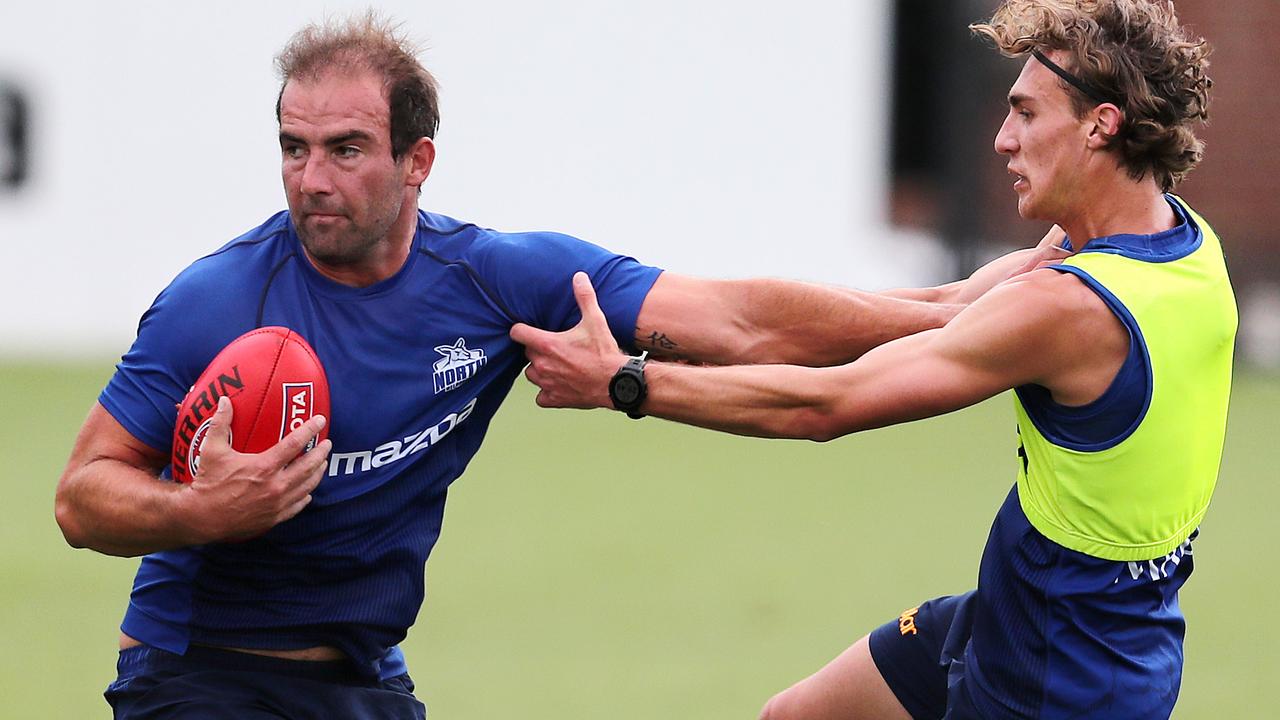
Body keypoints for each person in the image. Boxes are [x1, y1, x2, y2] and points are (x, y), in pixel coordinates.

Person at [52, 12, 1066, 719]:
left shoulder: (494, 281)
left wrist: (953, 304)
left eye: (346, 149)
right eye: (293, 147)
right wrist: (198, 511)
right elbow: (82, 497)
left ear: (417, 162)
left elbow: (737, 322)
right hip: (197, 678)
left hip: (360, 680)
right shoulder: (218, 303)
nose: (310, 179)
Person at [513, 1, 1233, 718]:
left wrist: (627, 385)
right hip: (1038, 615)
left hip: (1060, 680)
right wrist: (710, 340)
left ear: (1100, 124)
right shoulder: (1177, 239)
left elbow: (825, 405)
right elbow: (942, 313)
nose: (1002, 140)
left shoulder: (1071, 309)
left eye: (1026, 113)